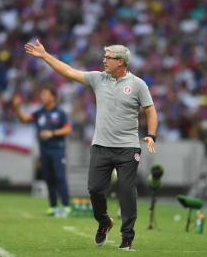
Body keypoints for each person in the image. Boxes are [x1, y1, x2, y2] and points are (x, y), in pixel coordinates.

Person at [25, 40, 158, 250]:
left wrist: (151, 135)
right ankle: (104, 221)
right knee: (95, 189)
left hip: (128, 147)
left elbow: (150, 111)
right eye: (104, 57)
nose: (104, 60)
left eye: (108, 58)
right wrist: (45, 56)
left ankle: (127, 237)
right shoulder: (98, 79)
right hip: (101, 146)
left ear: (121, 62)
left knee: (126, 190)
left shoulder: (138, 84)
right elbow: (68, 71)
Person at [13, 85, 72, 217]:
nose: (42, 96)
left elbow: (68, 129)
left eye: (45, 94)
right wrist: (17, 107)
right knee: (49, 179)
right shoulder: (39, 112)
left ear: (53, 97)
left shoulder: (60, 113)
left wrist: (52, 133)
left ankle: (66, 206)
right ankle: (53, 206)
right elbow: (23, 119)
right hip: (44, 150)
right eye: (42, 94)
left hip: (57, 150)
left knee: (60, 177)